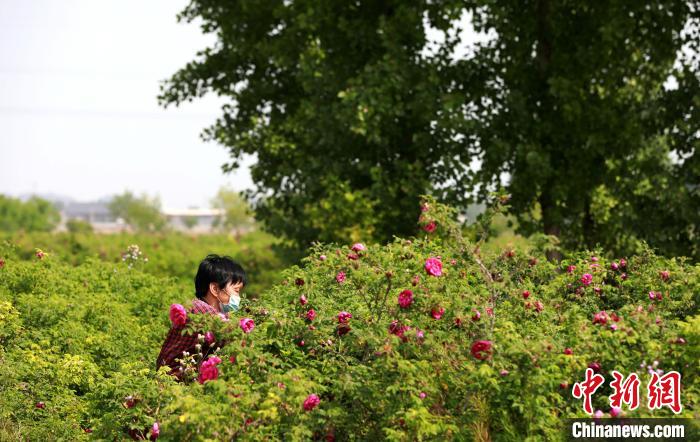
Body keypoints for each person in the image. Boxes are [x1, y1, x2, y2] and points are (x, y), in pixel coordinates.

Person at [156, 254, 246, 380]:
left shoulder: (211, 312)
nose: (239, 297)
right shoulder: (200, 309)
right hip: (173, 382)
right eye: (236, 290)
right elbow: (234, 337)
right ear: (215, 289)